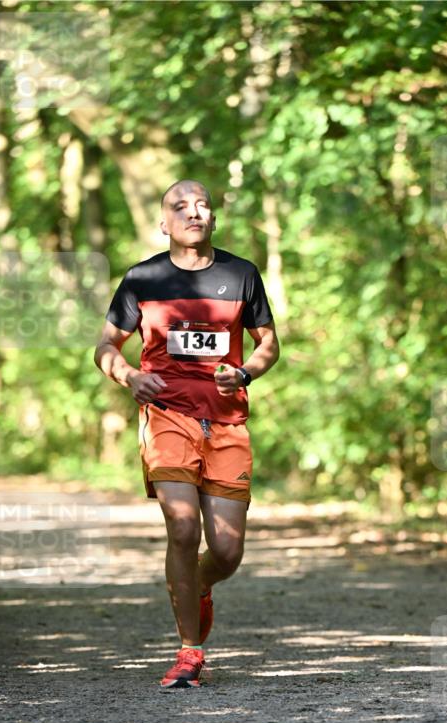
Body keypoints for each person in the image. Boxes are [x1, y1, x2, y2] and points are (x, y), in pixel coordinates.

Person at [94, 180, 279, 689]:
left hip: (226, 421)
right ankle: (189, 651)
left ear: (213, 218)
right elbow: (105, 347)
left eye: (202, 205)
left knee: (227, 553)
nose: (193, 212)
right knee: (181, 527)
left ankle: (196, 584)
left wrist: (245, 373)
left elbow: (268, 343)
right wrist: (130, 376)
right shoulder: (143, 278)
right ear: (164, 222)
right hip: (167, 416)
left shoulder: (241, 275)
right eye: (180, 206)